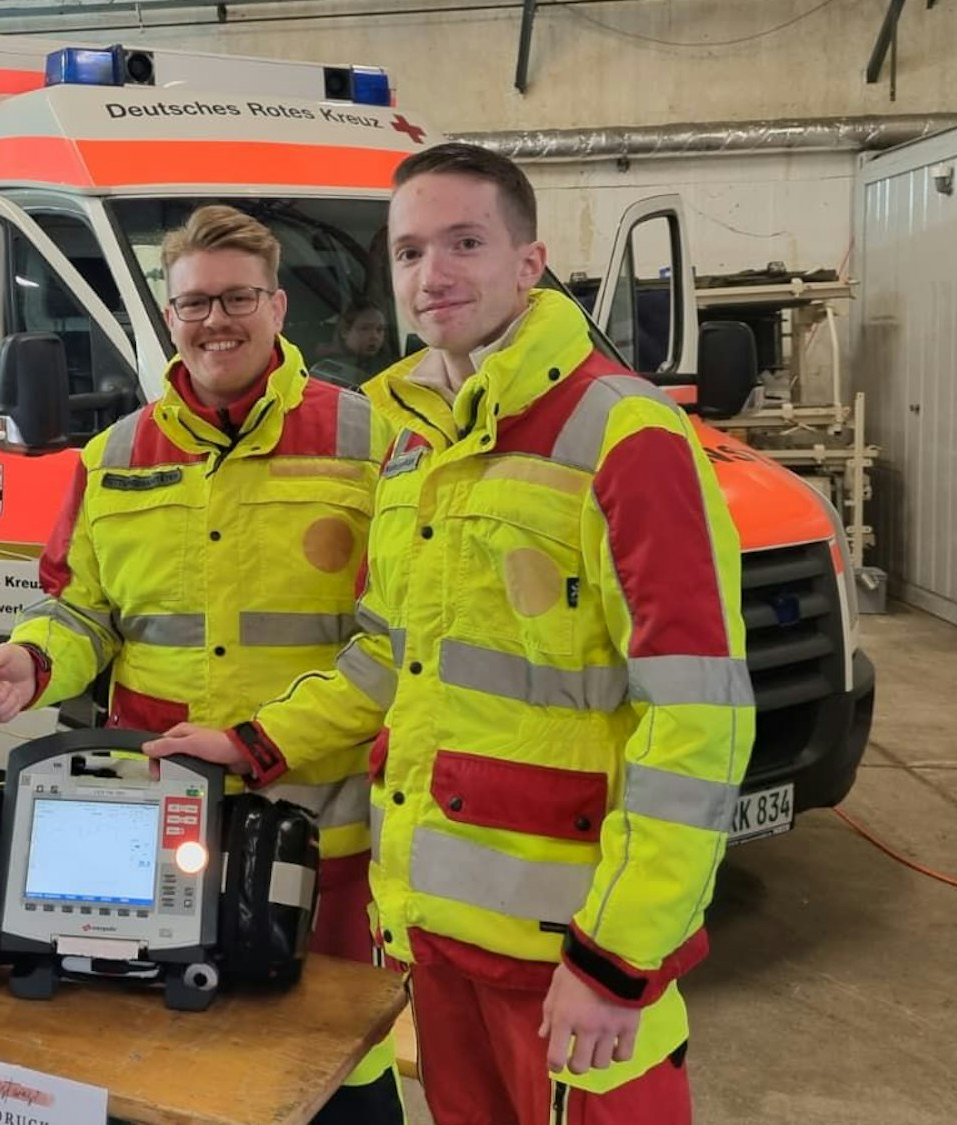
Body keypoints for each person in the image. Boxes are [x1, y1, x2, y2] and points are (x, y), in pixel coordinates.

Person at [145, 144, 753, 1124]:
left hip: (566, 951)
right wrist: (254, 742)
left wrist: (617, 957)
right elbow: (389, 657)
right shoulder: (414, 443)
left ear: (527, 260)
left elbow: (697, 722)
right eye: (409, 250)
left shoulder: (624, 439)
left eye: (464, 242)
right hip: (433, 932)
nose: (433, 275)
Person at [0, 204, 403, 1123]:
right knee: (167, 1056)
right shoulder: (114, 455)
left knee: (328, 1068)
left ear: (280, 308)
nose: (217, 320)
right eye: (195, 302)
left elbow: (393, 648)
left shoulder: (372, 445)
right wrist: (32, 659)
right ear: (170, 317)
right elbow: (80, 607)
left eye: (238, 297)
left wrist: (255, 740)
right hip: (153, 825)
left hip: (318, 827)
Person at [309, 299, 391, 387]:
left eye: (380, 329)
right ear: (345, 331)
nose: (375, 336)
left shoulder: (387, 368)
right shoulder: (317, 363)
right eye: (365, 328)